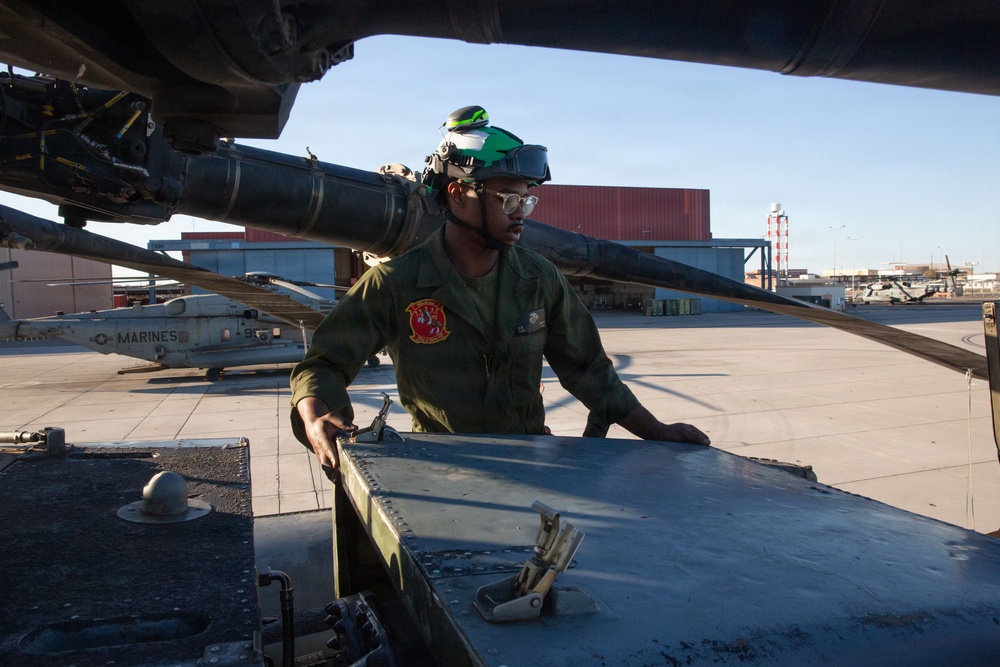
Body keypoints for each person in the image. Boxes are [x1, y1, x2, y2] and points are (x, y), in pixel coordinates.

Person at [290, 106, 710, 470]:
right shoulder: (395, 284)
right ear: (458, 195)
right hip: (440, 469)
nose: (521, 213)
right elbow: (322, 366)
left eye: (527, 200)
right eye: (508, 199)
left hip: (530, 464)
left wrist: (655, 431)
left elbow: (590, 373)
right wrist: (317, 416)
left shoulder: (539, 280)